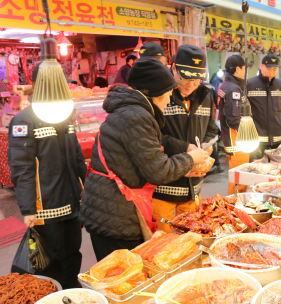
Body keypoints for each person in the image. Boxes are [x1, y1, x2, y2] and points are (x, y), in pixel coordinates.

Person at [79, 59, 208, 261]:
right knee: (123, 277)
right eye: (167, 95)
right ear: (154, 94)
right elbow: (158, 170)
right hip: (115, 215)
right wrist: (190, 158)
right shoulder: (137, 116)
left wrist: (185, 165)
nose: (168, 101)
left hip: (110, 209)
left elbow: (143, 159)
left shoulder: (131, 111)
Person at [8, 65, 87, 289]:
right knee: (52, 261)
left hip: (72, 203)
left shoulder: (63, 115)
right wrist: (28, 209)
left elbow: (77, 157)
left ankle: (72, 292)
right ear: (38, 85)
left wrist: (86, 192)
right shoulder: (22, 121)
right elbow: (21, 167)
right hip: (45, 208)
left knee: (73, 254)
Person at [153, 44, 218, 232]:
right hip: (164, 186)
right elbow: (152, 136)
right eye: (185, 78)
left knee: (190, 239)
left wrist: (208, 144)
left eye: (196, 79)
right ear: (173, 68)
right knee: (160, 243)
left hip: (194, 186)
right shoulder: (160, 96)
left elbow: (212, 129)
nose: (190, 84)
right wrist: (186, 147)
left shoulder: (206, 95)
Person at [247, 55, 281, 161]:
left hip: (277, 138)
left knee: (277, 168)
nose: (271, 72)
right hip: (256, 138)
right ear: (261, 66)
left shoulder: (280, 85)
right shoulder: (250, 84)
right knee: (256, 169)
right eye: (268, 69)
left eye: (274, 69)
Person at [218, 55, 248, 194]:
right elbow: (233, 118)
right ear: (238, 69)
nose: (245, 71)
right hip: (237, 140)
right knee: (239, 180)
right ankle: (235, 208)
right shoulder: (233, 89)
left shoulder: (226, 85)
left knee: (238, 177)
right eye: (244, 68)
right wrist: (248, 135)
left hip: (232, 139)